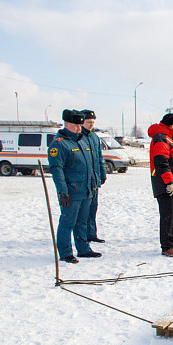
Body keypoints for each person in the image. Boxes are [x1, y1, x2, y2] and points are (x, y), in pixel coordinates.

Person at [48, 109, 101, 264]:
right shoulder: (59, 144)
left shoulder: (82, 141)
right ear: (66, 124)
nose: (79, 129)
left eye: (79, 125)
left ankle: (83, 248)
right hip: (72, 192)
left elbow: (90, 165)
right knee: (67, 222)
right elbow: (57, 170)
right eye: (75, 126)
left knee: (82, 222)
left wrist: (93, 183)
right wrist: (63, 192)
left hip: (86, 190)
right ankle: (65, 252)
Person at [148, 113, 173, 257]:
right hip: (165, 184)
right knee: (167, 215)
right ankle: (166, 246)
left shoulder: (171, 138)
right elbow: (161, 162)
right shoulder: (161, 137)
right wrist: (169, 181)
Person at [80, 109, 107, 243]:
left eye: (93, 122)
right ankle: (83, 235)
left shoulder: (94, 137)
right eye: (88, 122)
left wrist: (102, 173)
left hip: (94, 180)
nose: (91, 124)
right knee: (83, 211)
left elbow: (99, 158)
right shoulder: (79, 137)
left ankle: (91, 233)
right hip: (84, 181)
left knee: (93, 209)